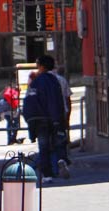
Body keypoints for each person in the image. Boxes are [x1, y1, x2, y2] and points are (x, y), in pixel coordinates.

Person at [23, 55, 70, 183]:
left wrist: (29, 119)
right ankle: (61, 159)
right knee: (59, 143)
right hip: (55, 118)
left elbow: (29, 101)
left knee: (43, 147)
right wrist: (61, 119)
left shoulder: (36, 82)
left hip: (39, 120)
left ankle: (47, 175)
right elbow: (61, 101)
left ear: (42, 66)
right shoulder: (58, 80)